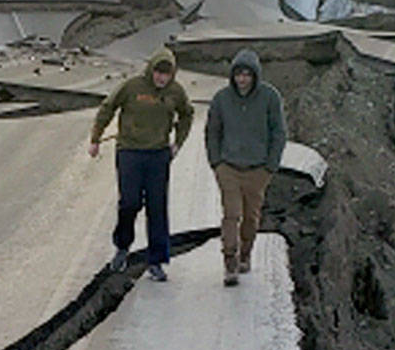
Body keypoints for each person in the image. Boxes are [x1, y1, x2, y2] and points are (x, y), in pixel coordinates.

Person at [87, 46, 193, 281]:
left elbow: (187, 114)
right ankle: (122, 247)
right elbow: (108, 107)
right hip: (130, 153)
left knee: (157, 208)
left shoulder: (176, 92)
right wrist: (95, 138)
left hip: (158, 156)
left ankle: (156, 261)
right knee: (130, 203)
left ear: (172, 74)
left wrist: (178, 143)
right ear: (151, 69)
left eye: (166, 73)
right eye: (158, 72)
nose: (161, 77)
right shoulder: (132, 87)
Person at [203, 49, 285, 286]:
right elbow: (212, 132)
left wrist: (270, 166)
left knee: (251, 217)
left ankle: (245, 253)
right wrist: (216, 162)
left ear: (255, 76)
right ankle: (230, 261)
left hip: (258, 169)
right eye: (238, 74)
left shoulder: (270, 98)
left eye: (247, 75)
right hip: (228, 167)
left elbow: (278, 133)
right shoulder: (221, 99)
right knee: (232, 214)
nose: (242, 79)